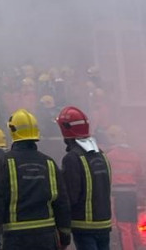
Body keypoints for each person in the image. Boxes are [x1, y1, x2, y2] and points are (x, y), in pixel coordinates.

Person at [0, 109, 71, 250]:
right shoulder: (49, 163)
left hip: (16, 238)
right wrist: (65, 235)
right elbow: (61, 202)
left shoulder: (5, 162)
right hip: (46, 237)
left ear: (13, 131)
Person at [57, 106, 112, 250]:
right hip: (104, 223)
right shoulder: (101, 154)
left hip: (84, 225)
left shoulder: (72, 158)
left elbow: (71, 195)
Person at [106, 124, 145, 250]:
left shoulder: (110, 156)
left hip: (119, 196)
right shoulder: (134, 155)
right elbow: (139, 174)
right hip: (132, 195)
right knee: (133, 224)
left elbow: (106, 175)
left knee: (124, 227)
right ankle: (139, 247)